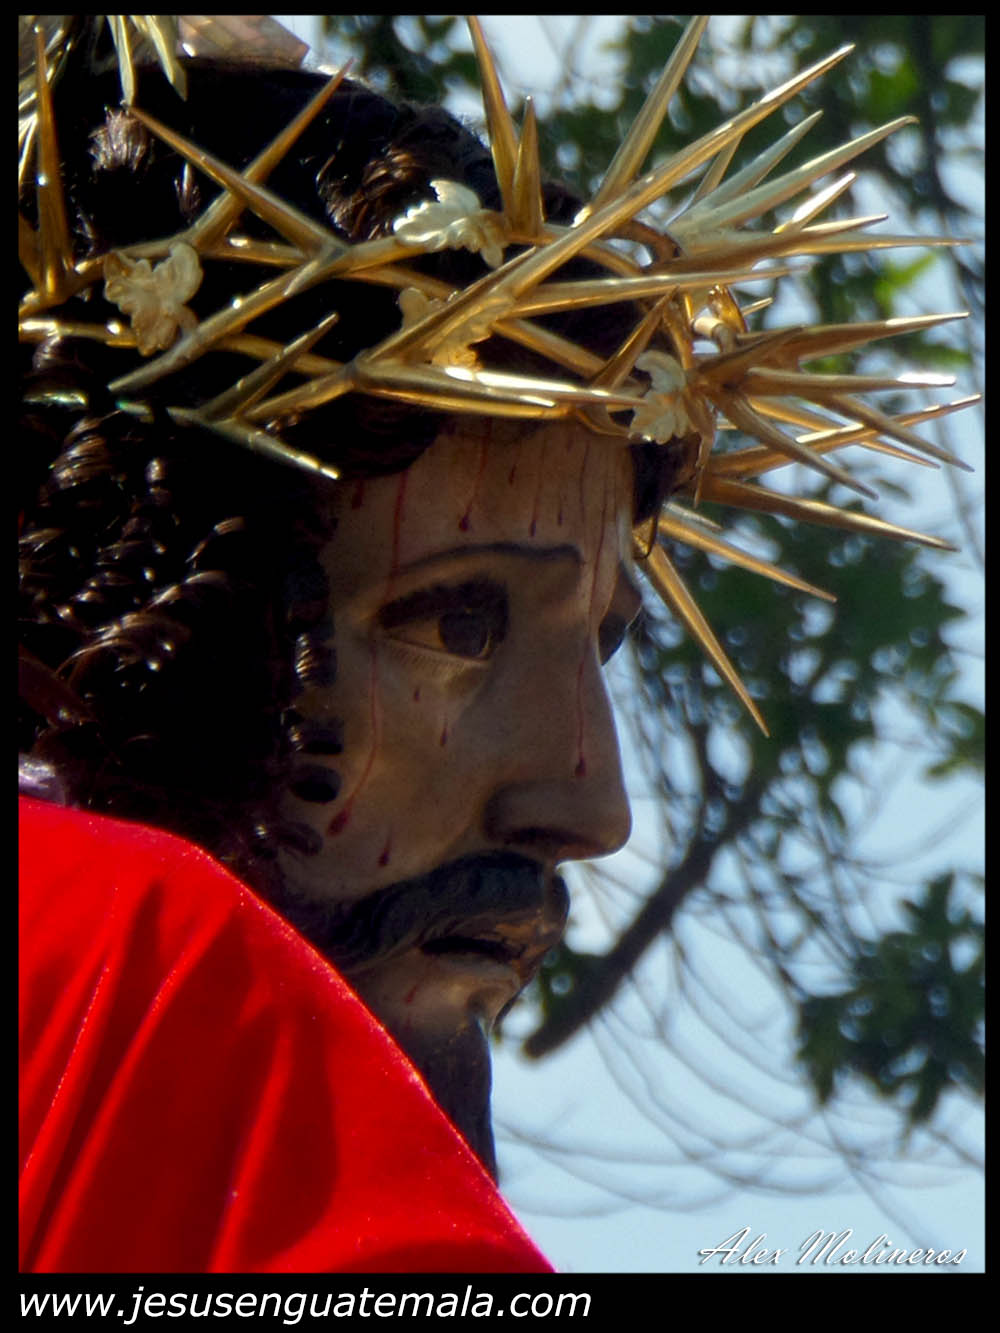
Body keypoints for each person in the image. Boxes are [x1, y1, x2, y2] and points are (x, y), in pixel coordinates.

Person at [19, 16, 969, 1273]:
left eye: (603, 646)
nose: (591, 807)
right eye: (456, 621)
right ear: (92, 637)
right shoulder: (132, 939)